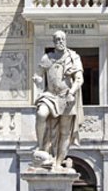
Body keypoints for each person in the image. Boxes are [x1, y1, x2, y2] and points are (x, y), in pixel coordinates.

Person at [33, 31, 84, 171]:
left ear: (65, 40)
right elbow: (38, 74)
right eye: (57, 39)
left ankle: (58, 162)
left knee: (65, 132)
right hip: (50, 95)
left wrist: (71, 92)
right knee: (41, 114)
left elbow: (79, 79)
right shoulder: (47, 58)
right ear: (53, 42)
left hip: (67, 97)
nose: (60, 41)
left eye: (62, 39)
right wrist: (37, 79)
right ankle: (41, 147)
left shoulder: (73, 57)